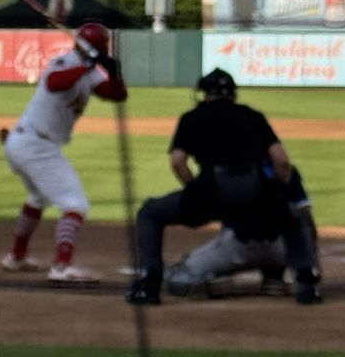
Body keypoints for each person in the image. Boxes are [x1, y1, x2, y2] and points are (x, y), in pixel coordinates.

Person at [127, 67, 322, 306]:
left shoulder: (192, 117)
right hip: (255, 187)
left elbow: (177, 161)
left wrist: (194, 188)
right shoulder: (253, 116)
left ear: (205, 93)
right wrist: (277, 193)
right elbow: (281, 162)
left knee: (150, 212)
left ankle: (149, 283)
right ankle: (307, 282)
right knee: (292, 215)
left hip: (213, 188)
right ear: (233, 93)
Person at [0, 21, 127, 283]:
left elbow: (117, 95)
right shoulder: (64, 62)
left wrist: (113, 73)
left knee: (37, 198)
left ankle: (16, 257)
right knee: (75, 204)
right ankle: (61, 267)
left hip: (27, 142)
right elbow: (55, 83)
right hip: (34, 143)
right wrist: (89, 65)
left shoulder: (90, 73)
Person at [164, 165, 321, 298]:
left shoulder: (223, 171)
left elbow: (198, 212)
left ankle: (212, 282)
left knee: (178, 274)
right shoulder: (284, 168)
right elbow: (306, 218)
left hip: (236, 250)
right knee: (295, 219)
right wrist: (310, 263)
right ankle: (274, 277)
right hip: (281, 252)